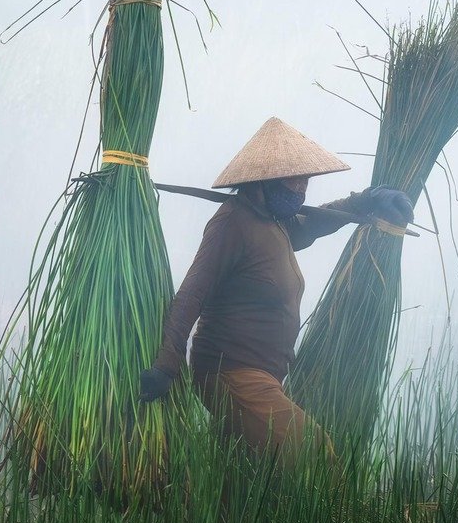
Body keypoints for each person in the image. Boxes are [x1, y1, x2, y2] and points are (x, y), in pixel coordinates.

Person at [139, 117, 413, 459]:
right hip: (230, 374)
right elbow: (193, 292)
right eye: (291, 179)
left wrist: (365, 200)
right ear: (263, 180)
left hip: (264, 376)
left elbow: (313, 221)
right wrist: (167, 365)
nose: (300, 189)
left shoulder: (274, 223)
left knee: (239, 484)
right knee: (315, 457)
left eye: (305, 179)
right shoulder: (232, 223)